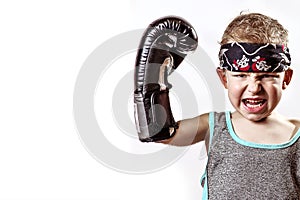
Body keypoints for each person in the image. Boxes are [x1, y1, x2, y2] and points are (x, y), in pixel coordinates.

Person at [134, 13, 300, 199]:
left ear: (286, 78)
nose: (254, 88)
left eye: (267, 75)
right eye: (241, 75)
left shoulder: (297, 135)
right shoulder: (215, 126)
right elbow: (156, 132)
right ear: (224, 78)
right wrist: (154, 76)